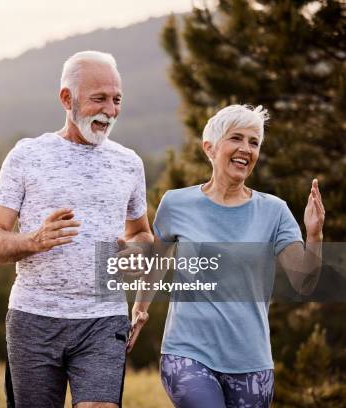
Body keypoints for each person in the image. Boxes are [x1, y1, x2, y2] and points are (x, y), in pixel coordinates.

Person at [0, 51, 153, 408]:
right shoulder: (27, 156)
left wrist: (135, 252)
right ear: (66, 98)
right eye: (99, 99)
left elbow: (141, 233)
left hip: (103, 320)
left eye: (116, 99)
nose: (110, 110)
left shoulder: (128, 163)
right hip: (34, 318)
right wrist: (34, 240)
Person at [130, 105, 325, 407]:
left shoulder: (275, 211)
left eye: (254, 142)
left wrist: (314, 236)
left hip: (252, 361)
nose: (246, 149)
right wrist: (140, 310)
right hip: (187, 353)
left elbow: (304, 282)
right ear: (210, 147)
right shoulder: (176, 204)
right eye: (236, 138)